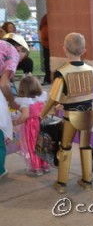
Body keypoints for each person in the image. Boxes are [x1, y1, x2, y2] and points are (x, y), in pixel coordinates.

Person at [40, 32, 93, 194]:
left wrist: (43, 113)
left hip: (70, 116)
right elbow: (82, 93)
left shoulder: (62, 72)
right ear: (84, 50)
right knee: (86, 147)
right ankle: (87, 181)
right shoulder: (90, 69)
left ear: (64, 49)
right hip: (88, 114)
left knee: (65, 147)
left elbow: (53, 97)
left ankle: (62, 183)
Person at [0, 34, 30, 178]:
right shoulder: (12, 51)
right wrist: (12, 102)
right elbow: (4, 83)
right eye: (22, 57)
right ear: (20, 48)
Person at [13, 75, 50, 175]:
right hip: (41, 124)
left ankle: (37, 167)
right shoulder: (41, 98)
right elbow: (45, 110)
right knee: (42, 145)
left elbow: (25, 115)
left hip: (31, 127)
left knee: (33, 146)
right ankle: (45, 165)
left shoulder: (25, 102)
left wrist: (16, 122)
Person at [39, 14, 51, 85]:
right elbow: (40, 29)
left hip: (53, 44)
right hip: (46, 45)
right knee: (46, 62)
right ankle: (47, 79)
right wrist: (41, 39)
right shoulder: (44, 18)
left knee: (49, 62)